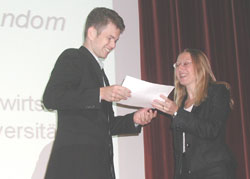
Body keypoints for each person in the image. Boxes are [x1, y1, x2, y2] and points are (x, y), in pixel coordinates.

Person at [42, 7, 157, 179]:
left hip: (98, 169)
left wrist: (134, 119)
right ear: (92, 32)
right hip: (75, 168)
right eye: (109, 38)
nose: (113, 45)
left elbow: (106, 125)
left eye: (116, 40)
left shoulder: (100, 73)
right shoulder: (73, 58)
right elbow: (51, 98)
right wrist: (100, 93)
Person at [152, 49, 236, 179]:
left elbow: (212, 129)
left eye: (186, 63)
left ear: (200, 65)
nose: (180, 68)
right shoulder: (180, 104)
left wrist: (177, 113)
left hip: (213, 171)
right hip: (186, 172)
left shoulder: (218, 91)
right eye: (177, 65)